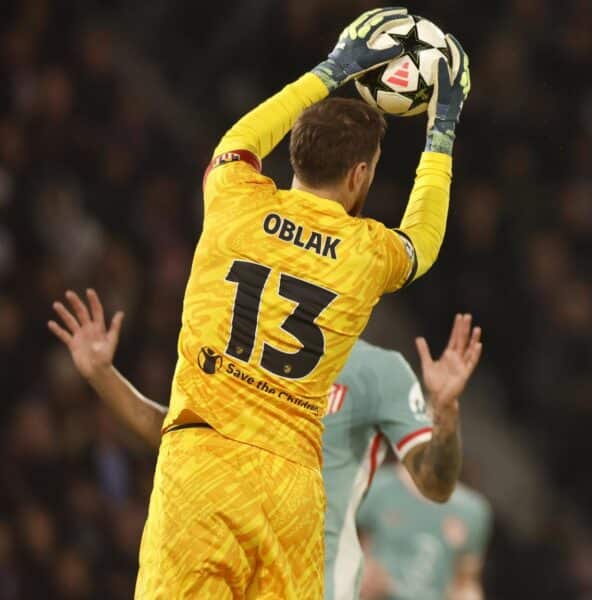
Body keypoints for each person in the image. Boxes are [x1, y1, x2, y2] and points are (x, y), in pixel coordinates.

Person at [61, 6, 470, 595]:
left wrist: (329, 72)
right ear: (359, 176)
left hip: (203, 463)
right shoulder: (366, 253)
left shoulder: (235, 201)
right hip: (290, 486)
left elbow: (239, 142)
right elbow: (422, 242)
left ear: (296, 154)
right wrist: (443, 127)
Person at [48, 289, 482, 600]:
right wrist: (102, 375)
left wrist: (443, 413)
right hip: (228, 565)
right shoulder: (246, 348)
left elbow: (435, 483)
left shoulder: (378, 372)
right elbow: (177, 433)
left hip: (314, 577)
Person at [358, 464, 491, 600]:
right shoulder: (378, 485)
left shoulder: (471, 510)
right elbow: (346, 552)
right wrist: (364, 576)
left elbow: (465, 583)